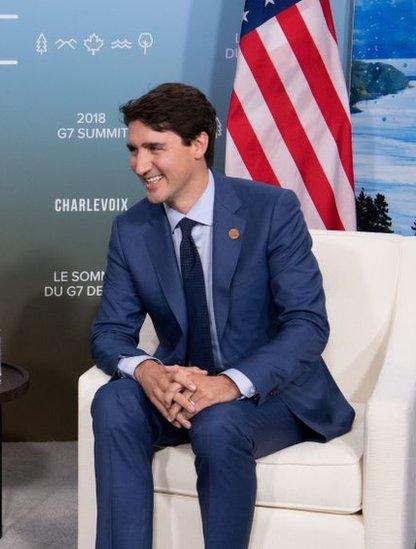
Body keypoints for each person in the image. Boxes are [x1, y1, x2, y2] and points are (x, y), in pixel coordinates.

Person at [89, 83, 354, 549]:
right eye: (133, 150)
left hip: (269, 393)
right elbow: (110, 333)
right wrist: (148, 371)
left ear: (197, 144)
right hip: (182, 389)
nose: (139, 165)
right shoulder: (130, 228)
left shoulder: (271, 210)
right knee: (113, 402)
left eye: (155, 148)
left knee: (219, 423)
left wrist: (228, 384)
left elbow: (307, 325)